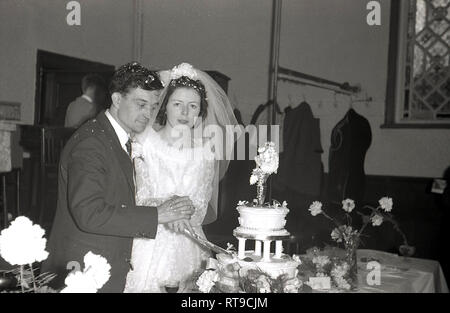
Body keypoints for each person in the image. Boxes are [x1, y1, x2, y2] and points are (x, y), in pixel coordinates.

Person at [41, 62, 195, 293]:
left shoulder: (115, 136)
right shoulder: (92, 143)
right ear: (116, 99)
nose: (148, 114)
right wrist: (157, 215)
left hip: (107, 259)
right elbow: (89, 213)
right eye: (141, 104)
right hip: (83, 268)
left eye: (153, 107)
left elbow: (119, 196)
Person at [124, 63, 238, 292]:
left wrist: (184, 213)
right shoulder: (144, 143)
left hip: (189, 241)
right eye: (178, 104)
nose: (185, 113)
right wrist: (169, 211)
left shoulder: (205, 152)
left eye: (192, 106)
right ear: (165, 107)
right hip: (149, 239)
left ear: (200, 111)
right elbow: (140, 196)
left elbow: (200, 204)